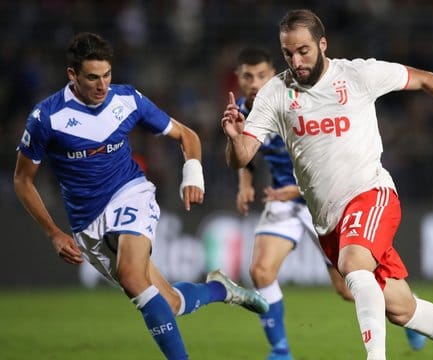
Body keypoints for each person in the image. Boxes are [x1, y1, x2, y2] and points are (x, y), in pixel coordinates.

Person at [222, 9, 433, 360]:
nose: (296, 60)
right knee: (402, 309)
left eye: (303, 50)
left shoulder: (357, 74)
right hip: (328, 222)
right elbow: (242, 157)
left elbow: (425, 78)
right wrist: (233, 137)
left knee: (353, 264)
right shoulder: (275, 92)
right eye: (288, 53)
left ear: (322, 44)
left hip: (371, 195)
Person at [13, 32, 268, 360]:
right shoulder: (46, 118)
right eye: (92, 77)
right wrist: (54, 232)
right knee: (171, 304)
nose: (102, 85)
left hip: (130, 194)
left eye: (107, 75)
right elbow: (22, 180)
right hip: (87, 225)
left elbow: (186, 135)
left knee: (133, 276)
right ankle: (222, 289)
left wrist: (193, 175)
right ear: (72, 75)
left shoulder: (127, 100)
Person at [232, 47, 427, 359]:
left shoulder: (289, 101)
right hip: (281, 201)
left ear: (273, 76)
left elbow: (324, 162)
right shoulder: (242, 111)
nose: (255, 83)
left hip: (322, 200)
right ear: (238, 79)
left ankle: (410, 310)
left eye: (261, 76)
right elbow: (247, 157)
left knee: (348, 289)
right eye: (247, 76)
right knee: (260, 271)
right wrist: (245, 184)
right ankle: (280, 349)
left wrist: (295, 191)